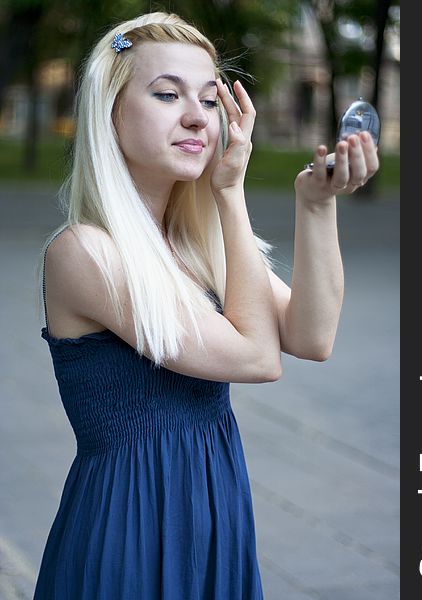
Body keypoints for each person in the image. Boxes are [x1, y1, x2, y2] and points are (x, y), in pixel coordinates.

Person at [33, 10, 379, 600]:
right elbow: (256, 358)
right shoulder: (85, 253)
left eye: (211, 98)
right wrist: (229, 192)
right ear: (110, 114)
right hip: (131, 529)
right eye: (167, 95)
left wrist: (315, 207)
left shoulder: (196, 244)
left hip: (215, 513)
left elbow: (312, 337)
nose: (198, 115)